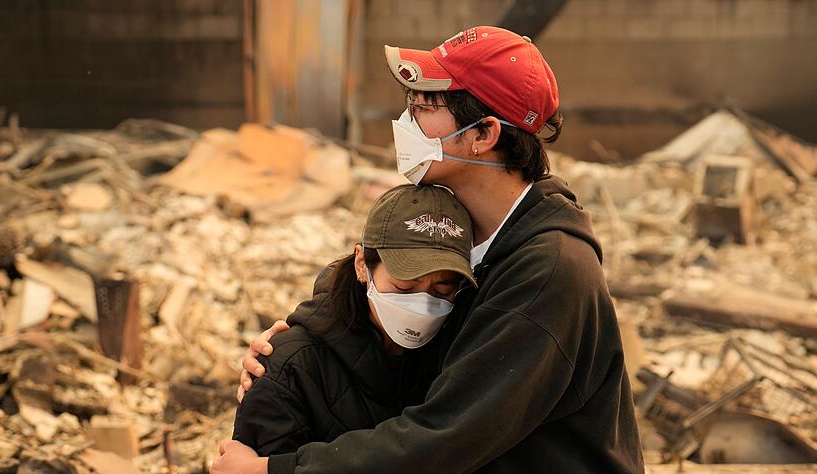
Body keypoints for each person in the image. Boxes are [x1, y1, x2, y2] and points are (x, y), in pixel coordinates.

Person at [214, 26, 644, 473]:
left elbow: (445, 437)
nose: (406, 124)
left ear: (485, 134)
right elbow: (384, 275)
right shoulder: (472, 228)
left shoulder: (548, 270)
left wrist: (273, 471)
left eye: (423, 108)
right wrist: (292, 354)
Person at [231, 184, 476, 459]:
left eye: (442, 290)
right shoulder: (292, 367)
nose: (423, 304)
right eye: (404, 286)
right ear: (362, 264)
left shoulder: (460, 353)